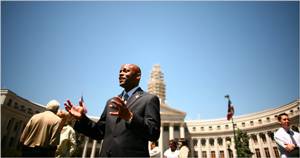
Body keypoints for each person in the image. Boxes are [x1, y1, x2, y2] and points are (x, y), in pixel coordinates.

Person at [64, 63, 161, 157]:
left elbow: (153, 133)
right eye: (120, 72)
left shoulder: (149, 99)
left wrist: (131, 118)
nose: (121, 74)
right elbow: (99, 132)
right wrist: (82, 119)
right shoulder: (111, 102)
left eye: (126, 71)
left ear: (137, 76)